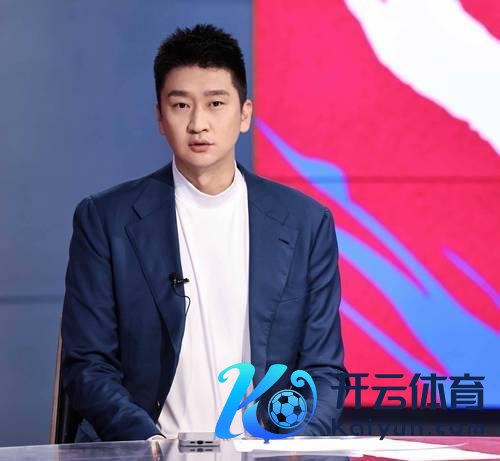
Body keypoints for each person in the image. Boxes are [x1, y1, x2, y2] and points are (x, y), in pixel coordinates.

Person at [61, 24, 346, 443]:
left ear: (244, 114)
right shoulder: (106, 221)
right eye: (181, 105)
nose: (198, 123)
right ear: (160, 117)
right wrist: (152, 446)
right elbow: (88, 364)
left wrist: (290, 446)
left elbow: (323, 372)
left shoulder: (306, 223)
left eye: (215, 103)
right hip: (150, 449)